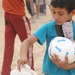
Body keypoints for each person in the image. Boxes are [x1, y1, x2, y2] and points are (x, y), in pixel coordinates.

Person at [17, 0, 75, 75]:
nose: (56, 17)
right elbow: (27, 42)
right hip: (50, 72)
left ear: (73, 12)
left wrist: (67, 66)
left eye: (60, 13)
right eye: (53, 12)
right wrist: (23, 57)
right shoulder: (48, 27)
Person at [1, 0, 34, 75]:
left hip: (7, 13)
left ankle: (5, 72)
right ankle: (30, 70)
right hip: (18, 13)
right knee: (28, 44)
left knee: (8, 47)